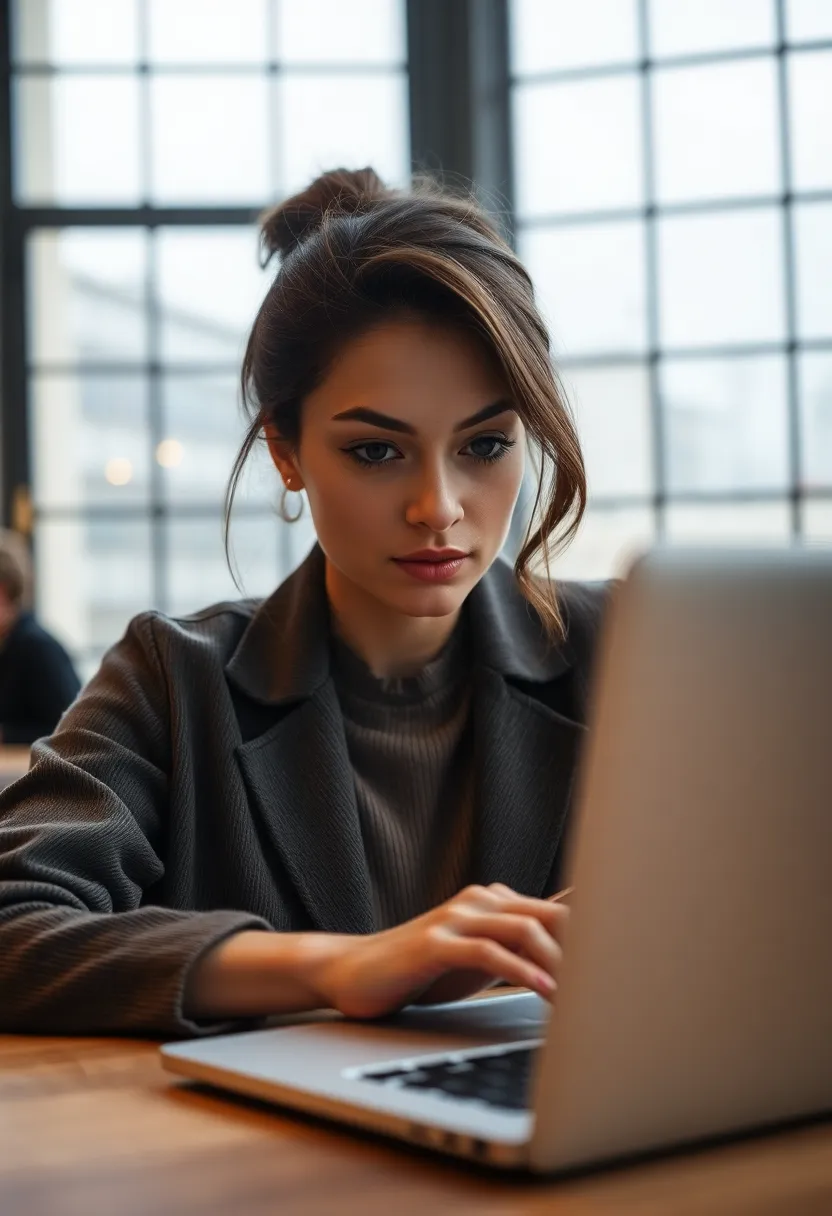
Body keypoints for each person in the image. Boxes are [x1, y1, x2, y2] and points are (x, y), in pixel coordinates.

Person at [0, 168, 609, 1038]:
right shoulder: (173, 679)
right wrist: (344, 964)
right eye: (375, 451)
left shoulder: (631, 653)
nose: (438, 506)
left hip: (584, 1146)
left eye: (485, 443)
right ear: (286, 452)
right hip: (266, 1166)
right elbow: (11, 923)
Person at [0, 529, 80, 746]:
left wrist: (6, 736)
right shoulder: (6, 643)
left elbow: (71, 731)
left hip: (36, 776)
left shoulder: (39, 648)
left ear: (4, 590)